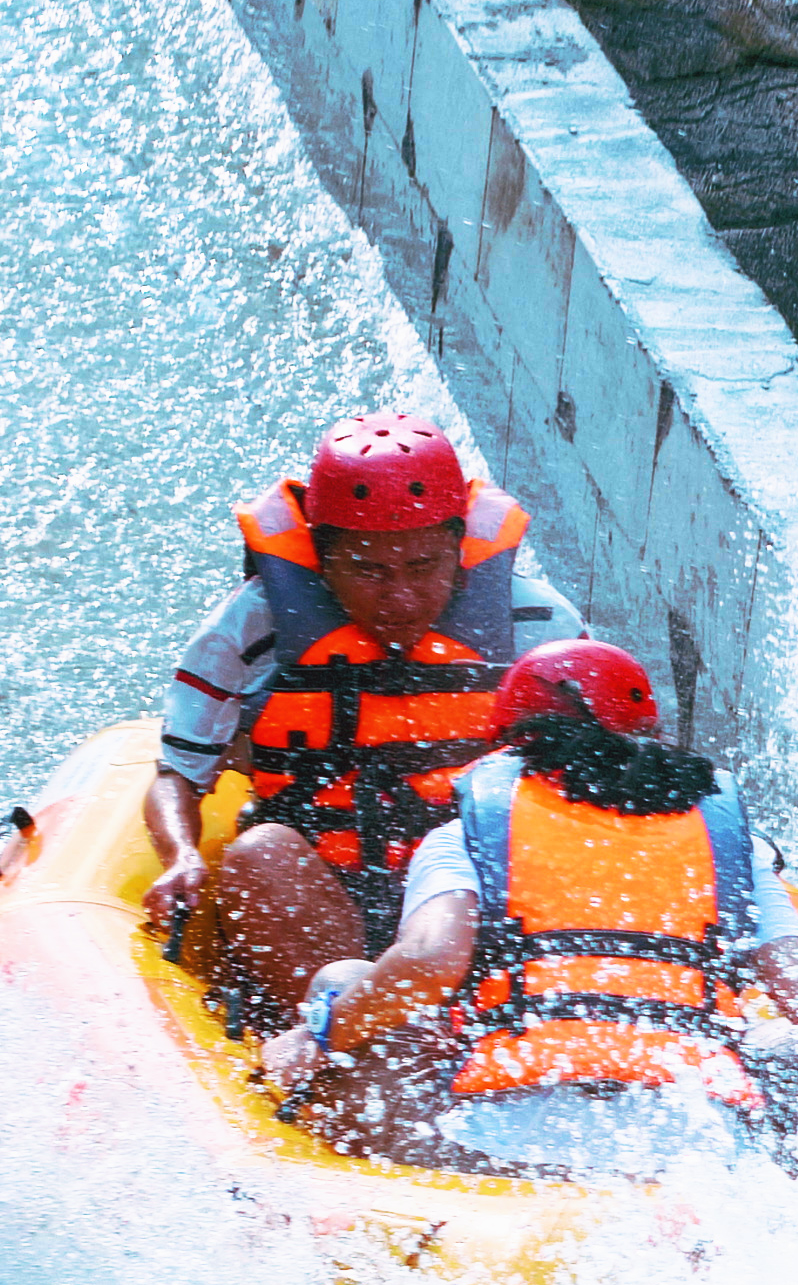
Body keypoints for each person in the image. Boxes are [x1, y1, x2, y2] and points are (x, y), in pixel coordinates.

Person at [258, 639, 798, 1174]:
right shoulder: (732, 845)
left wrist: (317, 1036)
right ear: (653, 738)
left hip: (507, 1141)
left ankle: (375, 1195)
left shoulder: (467, 838)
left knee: (342, 985)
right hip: (699, 1141)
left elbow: (428, 963)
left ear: (508, 749)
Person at [139, 412, 567, 1033]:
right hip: (320, 893)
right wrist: (180, 854)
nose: (400, 598)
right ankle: (345, 1046)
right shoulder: (252, 625)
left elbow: (609, 768)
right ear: (322, 558)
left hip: (469, 896)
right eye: (369, 571)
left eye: (423, 567)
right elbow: (177, 773)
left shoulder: (538, 623)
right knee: (259, 856)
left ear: (459, 550)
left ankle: (479, 1034)